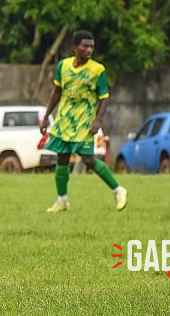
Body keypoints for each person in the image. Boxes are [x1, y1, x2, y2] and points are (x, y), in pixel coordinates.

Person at [39, 30, 128, 213]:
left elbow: (104, 98)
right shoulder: (63, 66)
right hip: (64, 120)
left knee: (88, 159)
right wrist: (46, 116)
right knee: (61, 159)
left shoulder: (98, 70)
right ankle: (62, 200)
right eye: (85, 46)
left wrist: (98, 120)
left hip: (84, 122)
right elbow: (56, 92)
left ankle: (118, 190)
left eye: (91, 47)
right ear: (75, 47)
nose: (89, 50)